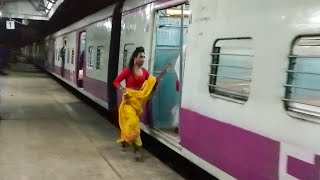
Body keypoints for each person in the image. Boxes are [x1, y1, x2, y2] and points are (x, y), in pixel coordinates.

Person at [113, 46, 169, 161]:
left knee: (131, 124)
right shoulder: (128, 70)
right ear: (135, 58)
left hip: (138, 103)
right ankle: (137, 149)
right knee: (133, 123)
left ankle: (125, 140)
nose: (143, 59)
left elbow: (151, 82)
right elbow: (116, 82)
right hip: (128, 102)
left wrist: (161, 74)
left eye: (144, 57)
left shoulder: (144, 72)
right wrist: (124, 91)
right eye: (141, 57)